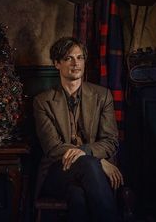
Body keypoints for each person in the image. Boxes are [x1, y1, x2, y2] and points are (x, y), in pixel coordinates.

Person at [33, 37, 124, 222]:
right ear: (57, 63)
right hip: (57, 173)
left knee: (78, 196)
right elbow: (52, 148)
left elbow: (111, 141)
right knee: (89, 165)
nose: (76, 64)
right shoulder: (43, 102)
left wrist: (85, 154)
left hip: (89, 176)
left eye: (80, 57)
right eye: (69, 58)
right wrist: (97, 161)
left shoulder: (102, 95)